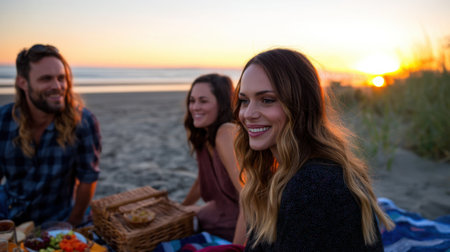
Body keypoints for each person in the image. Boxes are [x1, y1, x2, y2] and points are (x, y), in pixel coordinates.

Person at [233, 48, 394, 251]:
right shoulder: (284, 175)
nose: (248, 113)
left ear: (300, 105)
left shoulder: (313, 186)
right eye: (244, 100)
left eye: (267, 100)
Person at [0, 44, 101, 227]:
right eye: (46, 79)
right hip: (8, 211)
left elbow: (88, 179)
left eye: (61, 78)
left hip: (59, 216)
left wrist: (73, 222)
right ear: (22, 82)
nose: (57, 86)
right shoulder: (3, 121)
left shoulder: (83, 122)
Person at [182, 73, 245, 244]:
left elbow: (249, 199)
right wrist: (180, 208)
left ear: (222, 104)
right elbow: (201, 180)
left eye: (203, 101)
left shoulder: (226, 133)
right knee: (189, 213)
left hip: (243, 221)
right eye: (192, 101)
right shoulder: (204, 135)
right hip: (220, 210)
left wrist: (236, 249)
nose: (195, 107)